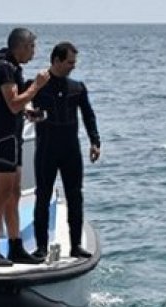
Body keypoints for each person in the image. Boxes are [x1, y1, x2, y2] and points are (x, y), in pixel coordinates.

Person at [0, 28, 50, 266]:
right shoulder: (4, 68)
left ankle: (15, 245)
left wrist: (28, 112)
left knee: (14, 192)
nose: (34, 52)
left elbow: (14, 106)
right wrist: (36, 86)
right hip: (3, 138)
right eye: (31, 47)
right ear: (20, 46)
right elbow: (12, 104)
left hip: (13, 136)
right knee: (3, 193)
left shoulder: (13, 67)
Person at [30, 41, 101, 260]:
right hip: (46, 149)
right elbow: (21, 106)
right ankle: (41, 247)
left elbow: (88, 115)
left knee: (75, 197)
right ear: (56, 61)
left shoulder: (77, 87)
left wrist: (95, 141)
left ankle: (76, 245)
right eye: (70, 62)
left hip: (70, 149)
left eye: (74, 62)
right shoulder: (37, 85)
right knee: (43, 196)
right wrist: (30, 113)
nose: (73, 66)